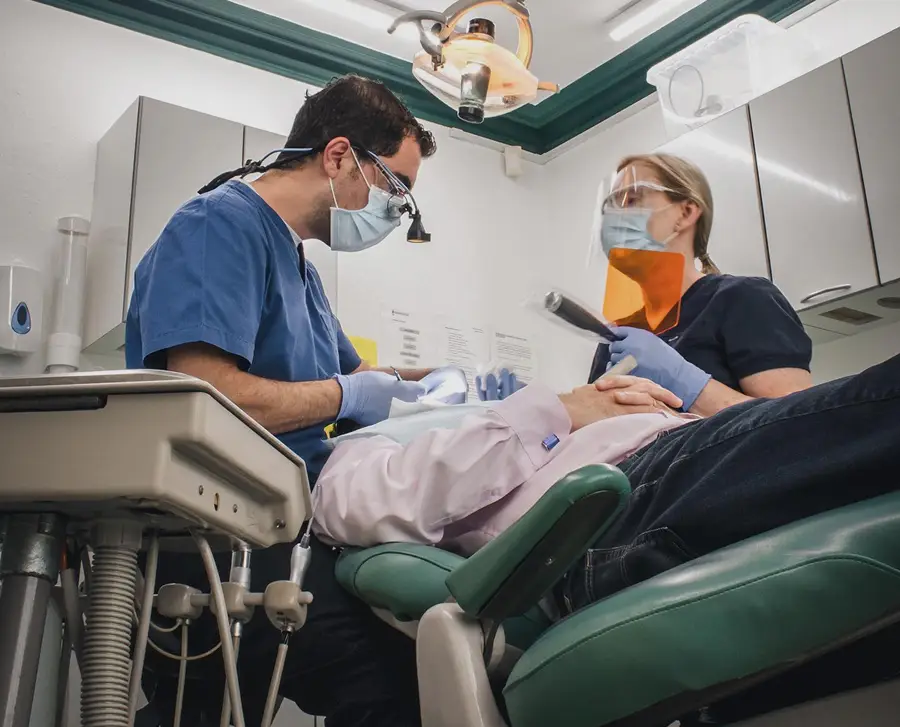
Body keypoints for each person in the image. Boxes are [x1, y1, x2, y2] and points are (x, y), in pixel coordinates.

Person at [126, 75, 438, 727]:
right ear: (338, 155)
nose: (398, 211)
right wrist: (349, 391)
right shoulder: (219, 225)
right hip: (215, 540)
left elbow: (363, 383)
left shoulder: (303, 271)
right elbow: (207, 394)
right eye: (397, 189)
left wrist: (451, 387)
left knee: (405, 677)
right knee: (384, 682)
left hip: (287, 532)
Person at [311, 355, 900, 615]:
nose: (425, 388)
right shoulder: (361, 449)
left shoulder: (501, 420)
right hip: (614, 506)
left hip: (675, 455)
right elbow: (354, 509)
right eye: (397, 380)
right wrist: (555, 411)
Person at [589, 153, 814, 416]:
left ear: (685, 212)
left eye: (631, 199)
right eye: (611, 207)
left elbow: (795, 423)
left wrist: (684, 381)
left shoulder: (743, 300)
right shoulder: (617, 335)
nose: (616, 217)